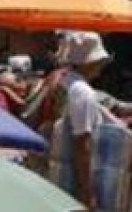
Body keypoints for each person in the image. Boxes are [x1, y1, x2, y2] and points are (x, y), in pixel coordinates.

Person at [52, 32, 120, 211]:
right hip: (72, 177)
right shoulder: (82, 91)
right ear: (91, 62)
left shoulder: (62, 80)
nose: (101, 67)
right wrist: (87, 194)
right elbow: (82, 144)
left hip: (55, 170)